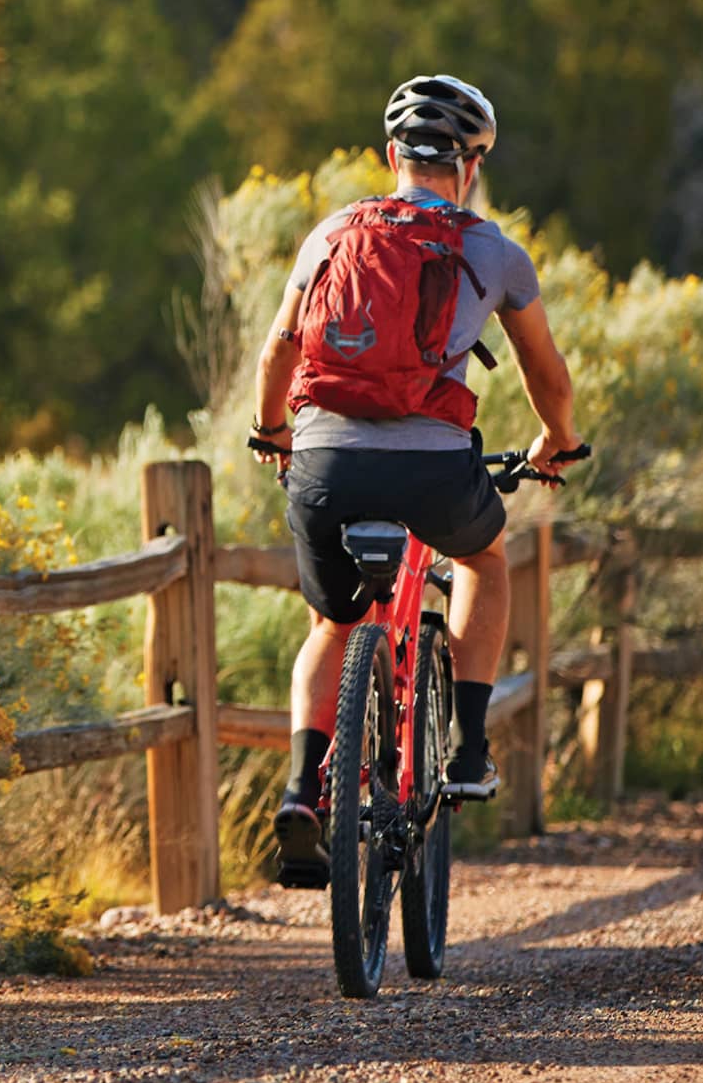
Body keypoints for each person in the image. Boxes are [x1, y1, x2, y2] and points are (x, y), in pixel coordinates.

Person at [251, 74, 586, 886]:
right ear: (469, 167)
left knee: (330, 628)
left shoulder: (331, 232)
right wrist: (556, 442)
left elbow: (278, 354)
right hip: (434, 467)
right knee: (483, 560)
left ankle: (301, 791)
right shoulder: (493, 249)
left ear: (390, 155)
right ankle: (468, 751)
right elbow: (548, 374)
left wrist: (271, 432)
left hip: (326, 459)